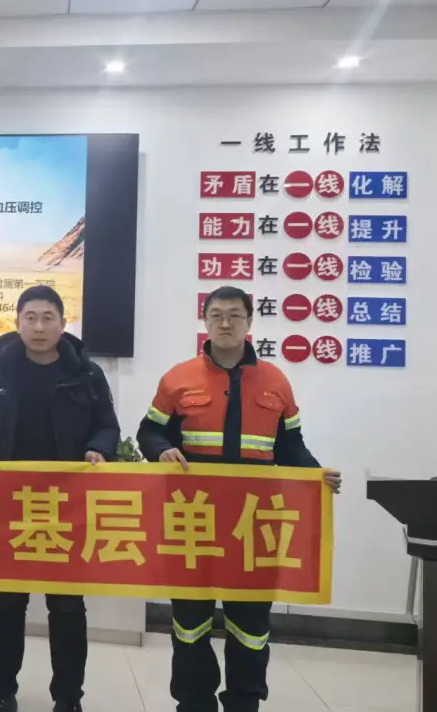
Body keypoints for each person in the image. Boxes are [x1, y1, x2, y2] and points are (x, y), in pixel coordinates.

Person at [136, 285, 343, 712]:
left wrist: (316, 474)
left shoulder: (276, 381)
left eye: (234, 314)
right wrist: (161, 449)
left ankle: (245, 702)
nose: (225, 323)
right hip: (194, 523)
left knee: (250, 624)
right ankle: (194, 702)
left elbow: (291, 446)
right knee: (190, 623)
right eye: (216, 315)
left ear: (250, 322)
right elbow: (149, 431)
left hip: (254, 525)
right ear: (205, 322)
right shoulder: (178, 379)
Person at [0, 285, 121, 712]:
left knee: (66, 608)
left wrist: (99, 449)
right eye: (30, 317)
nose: (38, 326)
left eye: (48, 318)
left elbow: (107, 425)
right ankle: (1, 692)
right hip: (8, 506)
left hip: (67, 508)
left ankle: (68, 698)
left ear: (63, 324)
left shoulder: (86, 373)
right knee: (6, 604)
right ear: (17, 323)